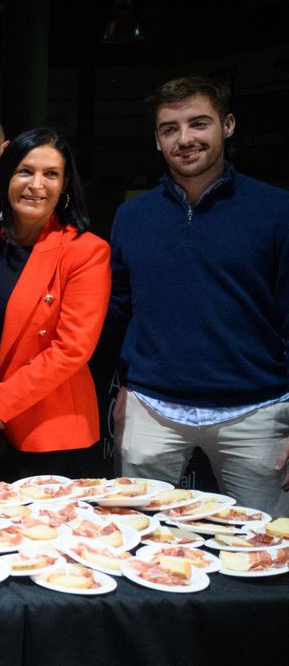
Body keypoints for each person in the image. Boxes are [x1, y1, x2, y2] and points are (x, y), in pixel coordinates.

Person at [109, 76, 289, 512]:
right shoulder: (132, 217)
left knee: (262, 546)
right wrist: (122, 389)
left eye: (198, 124)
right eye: (170, 128)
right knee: (136, 540)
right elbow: (119, 310)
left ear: (227, 126)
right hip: (152, 409)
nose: (185, 139)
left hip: (256, 411)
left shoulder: (276, 209)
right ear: (157, 140)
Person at [0, 129, 110, 480]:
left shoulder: (86, 250)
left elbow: (71, 348)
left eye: (50, 174)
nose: (36, 184)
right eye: (25, 171)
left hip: (49, 428)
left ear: (65, 184)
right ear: (7, 175)